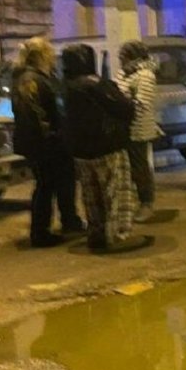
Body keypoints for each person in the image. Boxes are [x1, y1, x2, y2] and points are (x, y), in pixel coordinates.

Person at [61, 44, 142, 253]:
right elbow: (125, 109)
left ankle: (96, 233)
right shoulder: (97, 85)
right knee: (116, 192)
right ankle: (117, 234)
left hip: (80, 151)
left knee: (91, 195)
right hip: (107, 147)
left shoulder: (65, 87)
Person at [10, 37, 84, 247]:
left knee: (61, 182)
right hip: (46, 144)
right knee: (46, 186)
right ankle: (40, 232)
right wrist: (53, 136)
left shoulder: (33, 77)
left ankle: (69, 222)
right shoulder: (31, 80)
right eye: (50, 53)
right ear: (42, 55)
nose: (53, 57)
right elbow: (35, 116)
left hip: (46, 142)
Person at [115, 40, 158, 223]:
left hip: (138, 129)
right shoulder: (123, 74)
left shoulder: (145, 75)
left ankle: (146, 203)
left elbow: (142, 104)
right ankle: (128, 206)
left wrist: (122, 108)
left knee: (140, 168)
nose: (120, 60)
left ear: (133, 57)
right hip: (123, 130)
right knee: (126, 170)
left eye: (123, 56)